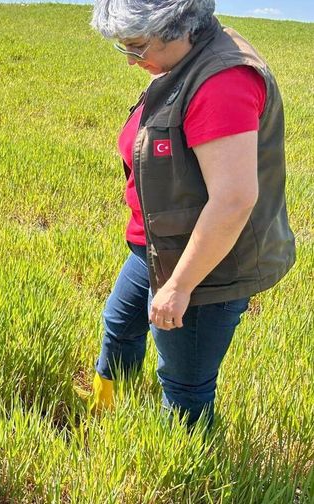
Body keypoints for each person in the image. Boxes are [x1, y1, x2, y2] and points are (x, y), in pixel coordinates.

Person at [86, 0, 295, 428]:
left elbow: (233, 199)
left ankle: (179, 455)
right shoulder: (182, 59)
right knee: (119, 325)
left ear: (178, 27)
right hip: (157, 247)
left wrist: (179, 288)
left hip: (205, 265)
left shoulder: (222, 82)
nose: (131, 61)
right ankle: (108, 411)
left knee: (184, 383)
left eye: (137, 46)